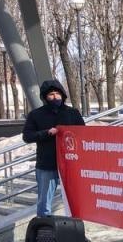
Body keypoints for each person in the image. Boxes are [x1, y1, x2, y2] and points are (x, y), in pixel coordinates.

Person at [22, 79, 85, 216]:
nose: (55, 97)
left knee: (73, 199)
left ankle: (75, 225)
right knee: (44, 201)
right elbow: (27, 136)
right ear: (45, 97)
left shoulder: (72, 113)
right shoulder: (36, 114)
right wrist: (46, 133)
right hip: (47, 164)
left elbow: (83, 133)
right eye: (51, 94)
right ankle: (43, 226)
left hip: (70, 163)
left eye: (57, 93)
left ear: (62, 95)